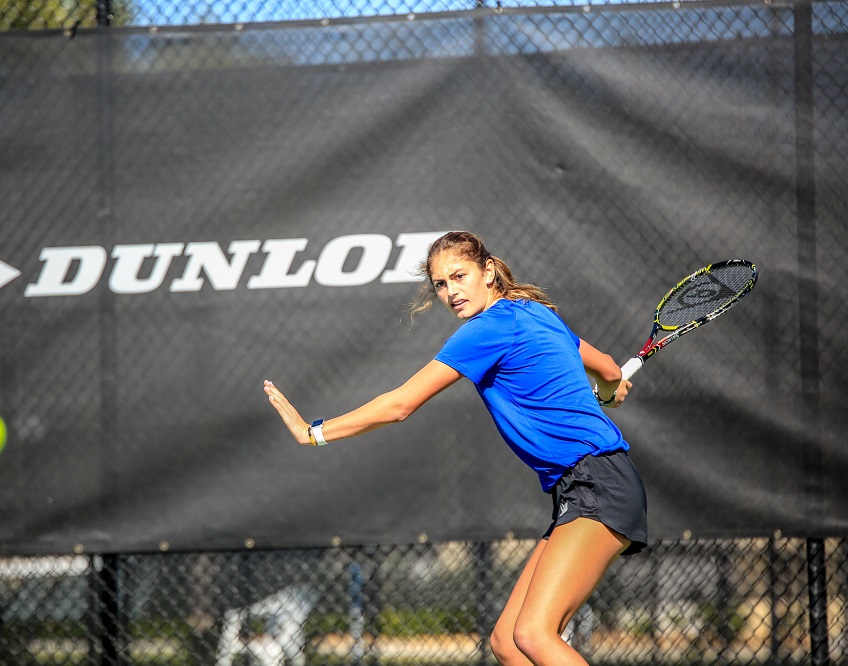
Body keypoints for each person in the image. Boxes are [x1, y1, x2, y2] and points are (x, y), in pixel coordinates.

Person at [263, 230, 646, 666]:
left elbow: (400, 405)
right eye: (440, 284)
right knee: (508, 641)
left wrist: (314, 432)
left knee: (535, 634)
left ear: (488, 271)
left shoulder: (484, 330)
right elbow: (611, 372)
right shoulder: (537, 313)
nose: (450, 292)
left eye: (459, 276)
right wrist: (611, 390)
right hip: (583, 488)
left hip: (597, 483)